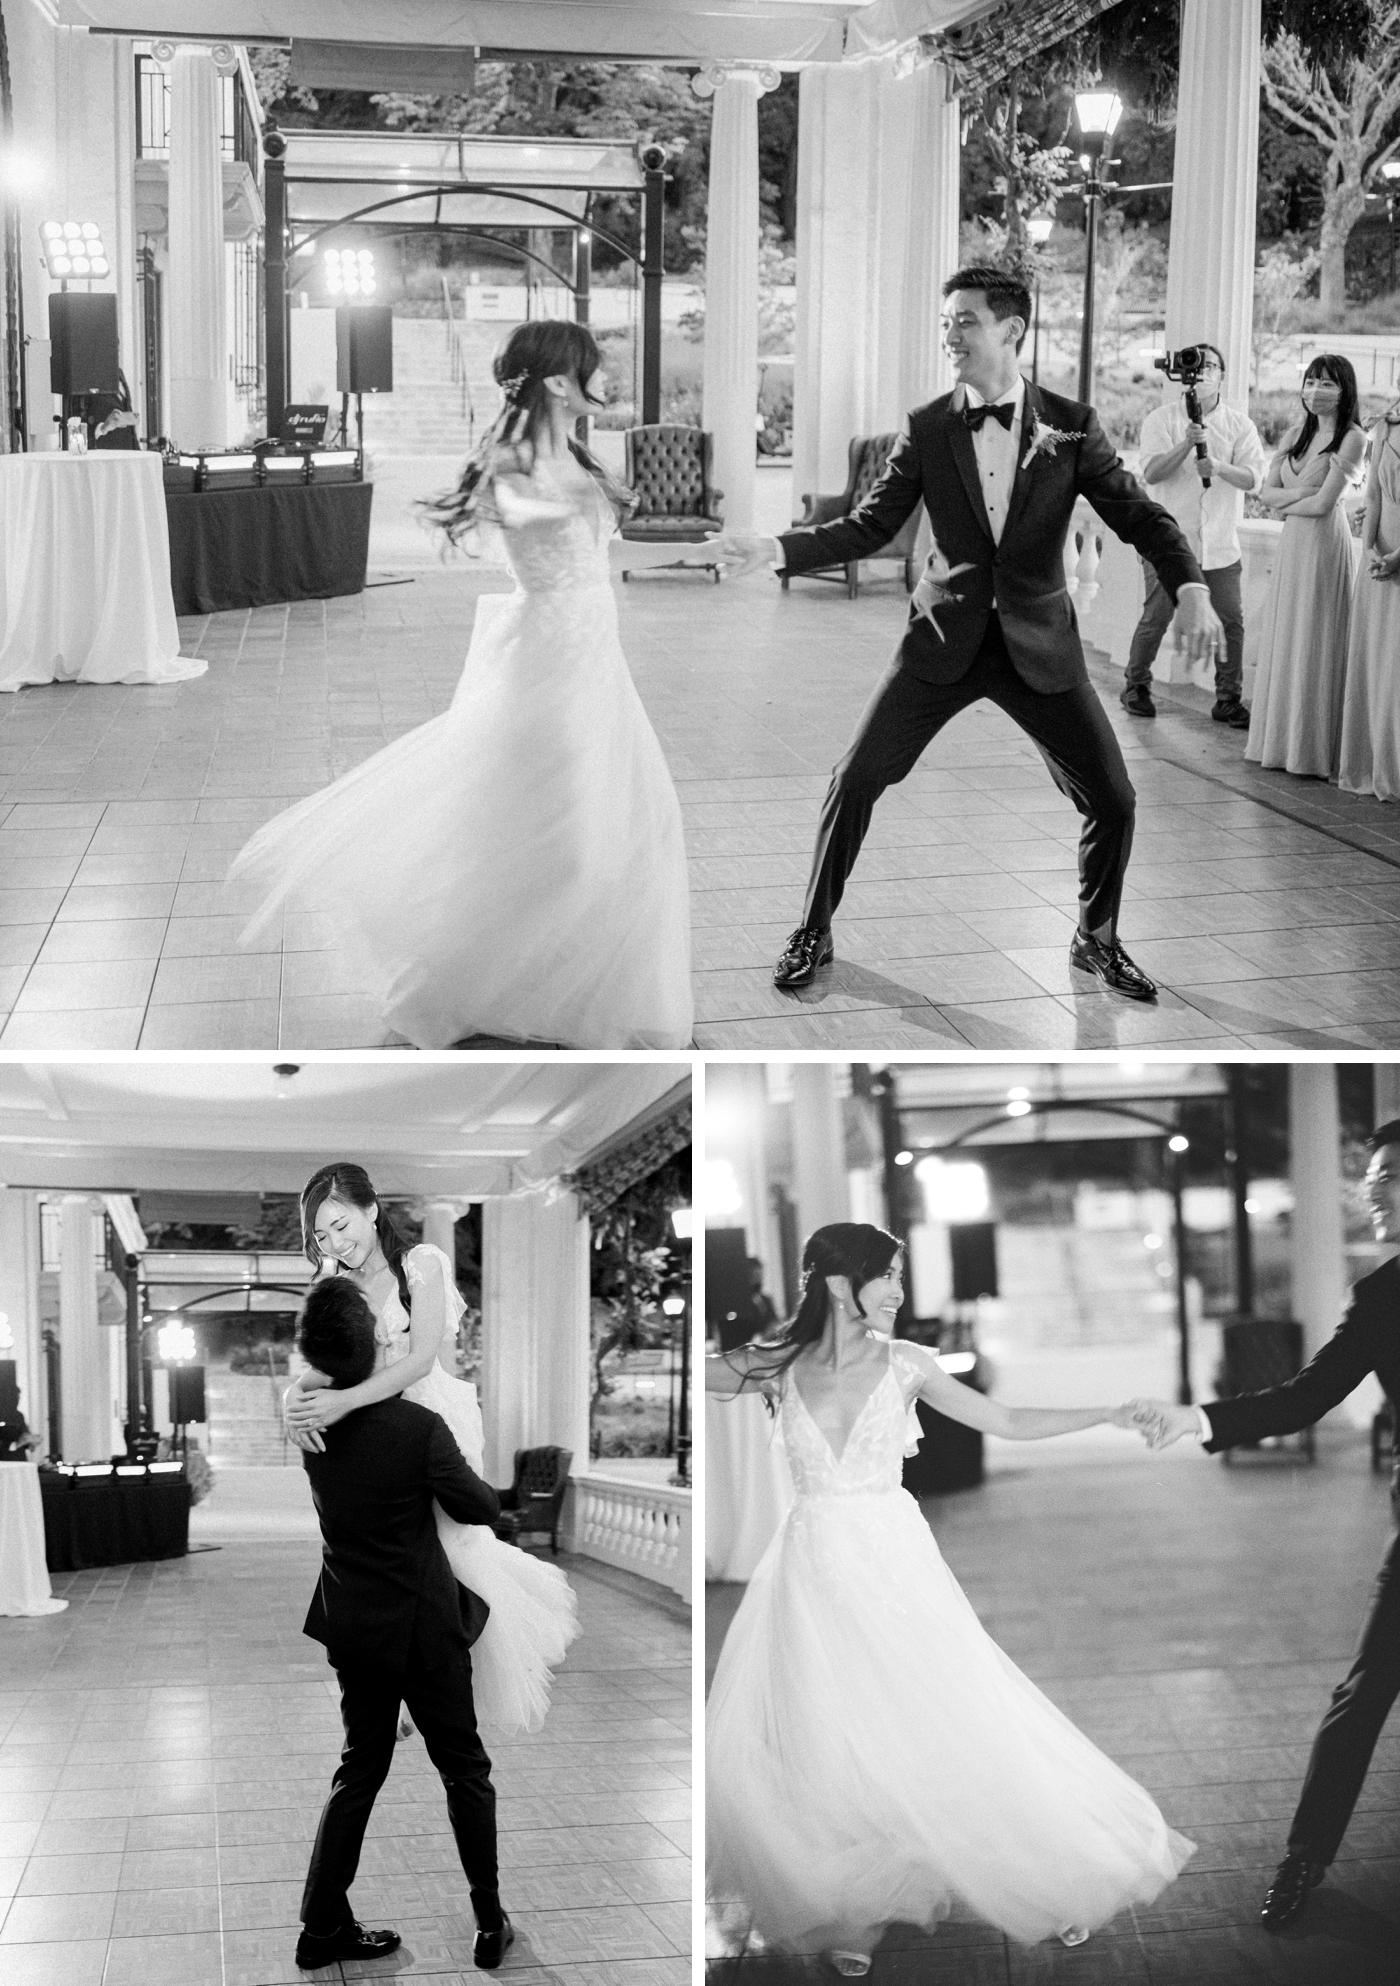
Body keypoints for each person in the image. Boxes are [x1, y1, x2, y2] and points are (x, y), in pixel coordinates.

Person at [694, 264, 1222, 1005]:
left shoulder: (1073, 425)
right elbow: (870, 524)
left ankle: (1095, 936)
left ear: (1012, 331)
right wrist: (777, 549)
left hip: (1039, 643)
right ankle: (813, 929)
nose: (951, 335)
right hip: (941, 638)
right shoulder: (929, 426)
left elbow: (1142, 517)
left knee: (1114, 798)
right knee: (855, 780)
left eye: (965, 321)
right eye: (946, 322)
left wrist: (1191, 584)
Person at [706, 1221, 1194, 1970]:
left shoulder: (907, 1364)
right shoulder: (778, 1363)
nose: (901, 1292)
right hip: (808, 1571)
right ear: (840, 1284)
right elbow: (705, 1372)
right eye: (888, 1277)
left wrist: (1105, 1412)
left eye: (901, 1277)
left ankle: (1051, 1880)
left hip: (894, 1565)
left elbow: (1005, 1421)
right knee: (829, 1734)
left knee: (950, 1716)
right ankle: (849, 1913)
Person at [227, 320, 693, 1050]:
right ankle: (484, 980)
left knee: (621, 823)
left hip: (594, 659)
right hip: (549, 661)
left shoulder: (571, 453)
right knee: (557, 832)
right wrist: (564, 490)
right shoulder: (514, 461)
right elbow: (532, 534)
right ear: (560, 382)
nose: (610, 377)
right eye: (596, 367)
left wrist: (703, 547)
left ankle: (564, 987)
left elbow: (605, 554)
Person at [1131, 1119, 1400, 1933]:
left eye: (1388, 1179)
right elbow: (1304, 1398)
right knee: (1363, 1696)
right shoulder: (1384, 1294)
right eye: (1370, 1182)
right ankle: (1303, 1861)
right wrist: (1197, 1419)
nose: (1372, 1195)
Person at [284, 1162, 579, 1736]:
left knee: (447, 1549)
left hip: (431, 1415)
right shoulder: (333, 1282)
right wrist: (294, 1396)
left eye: (341, 1226)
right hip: (370, 1426)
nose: (334, 1244)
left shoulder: (421, 1263)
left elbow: (419, 1360)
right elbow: (325, 1365)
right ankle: (388, 1677)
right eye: (321, 1236)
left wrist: (344, 1403)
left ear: (371, 1210)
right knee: (377, 1552)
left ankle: (435, 1670)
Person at [293, 1276, 513, 1973]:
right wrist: (483, 1491)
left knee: (359, 1769)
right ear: (378, 1342)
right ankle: (488, 1920)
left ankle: (321, 1926)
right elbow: (478, 1506)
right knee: (465, 1772)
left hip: (352, 1624)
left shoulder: (308, 1421)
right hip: (423, 1629)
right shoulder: (417, 1429)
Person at [1121, 343, 1265, 726]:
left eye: (1211, 366)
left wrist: (1218, 465)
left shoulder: (1240, 426)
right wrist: (1187, 442)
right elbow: (1151, 473)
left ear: (1222, 374)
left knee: (1231, 622)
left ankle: (1228, 698)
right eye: (1196, 365)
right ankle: (1136, 684)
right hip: (1168, 541)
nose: (1202, 373)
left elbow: (1254, 478)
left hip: (1220, 544)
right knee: (1157, 616)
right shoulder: (1161, 420)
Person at [1245, 354, 1366, 780]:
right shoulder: (1295, 434)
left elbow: (1323, 504)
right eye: (1311, 381)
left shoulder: (1353, 439)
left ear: (1345, 390)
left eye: (1327, 384)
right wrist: (1298, 501)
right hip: (1292, 544)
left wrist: (1291, 501)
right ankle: (1281, 743)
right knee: (1288, 634)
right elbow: (1265, 492)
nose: (1316, 390)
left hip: (1322, 545)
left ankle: (1312, 750)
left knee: (1316, 636)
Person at [1338, 396, 1400, 803]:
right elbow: (1373, 495)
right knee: (1379, 663)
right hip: (1380, 554)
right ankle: (1379, 761)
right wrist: (1371, 552)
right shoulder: (1386, 427)